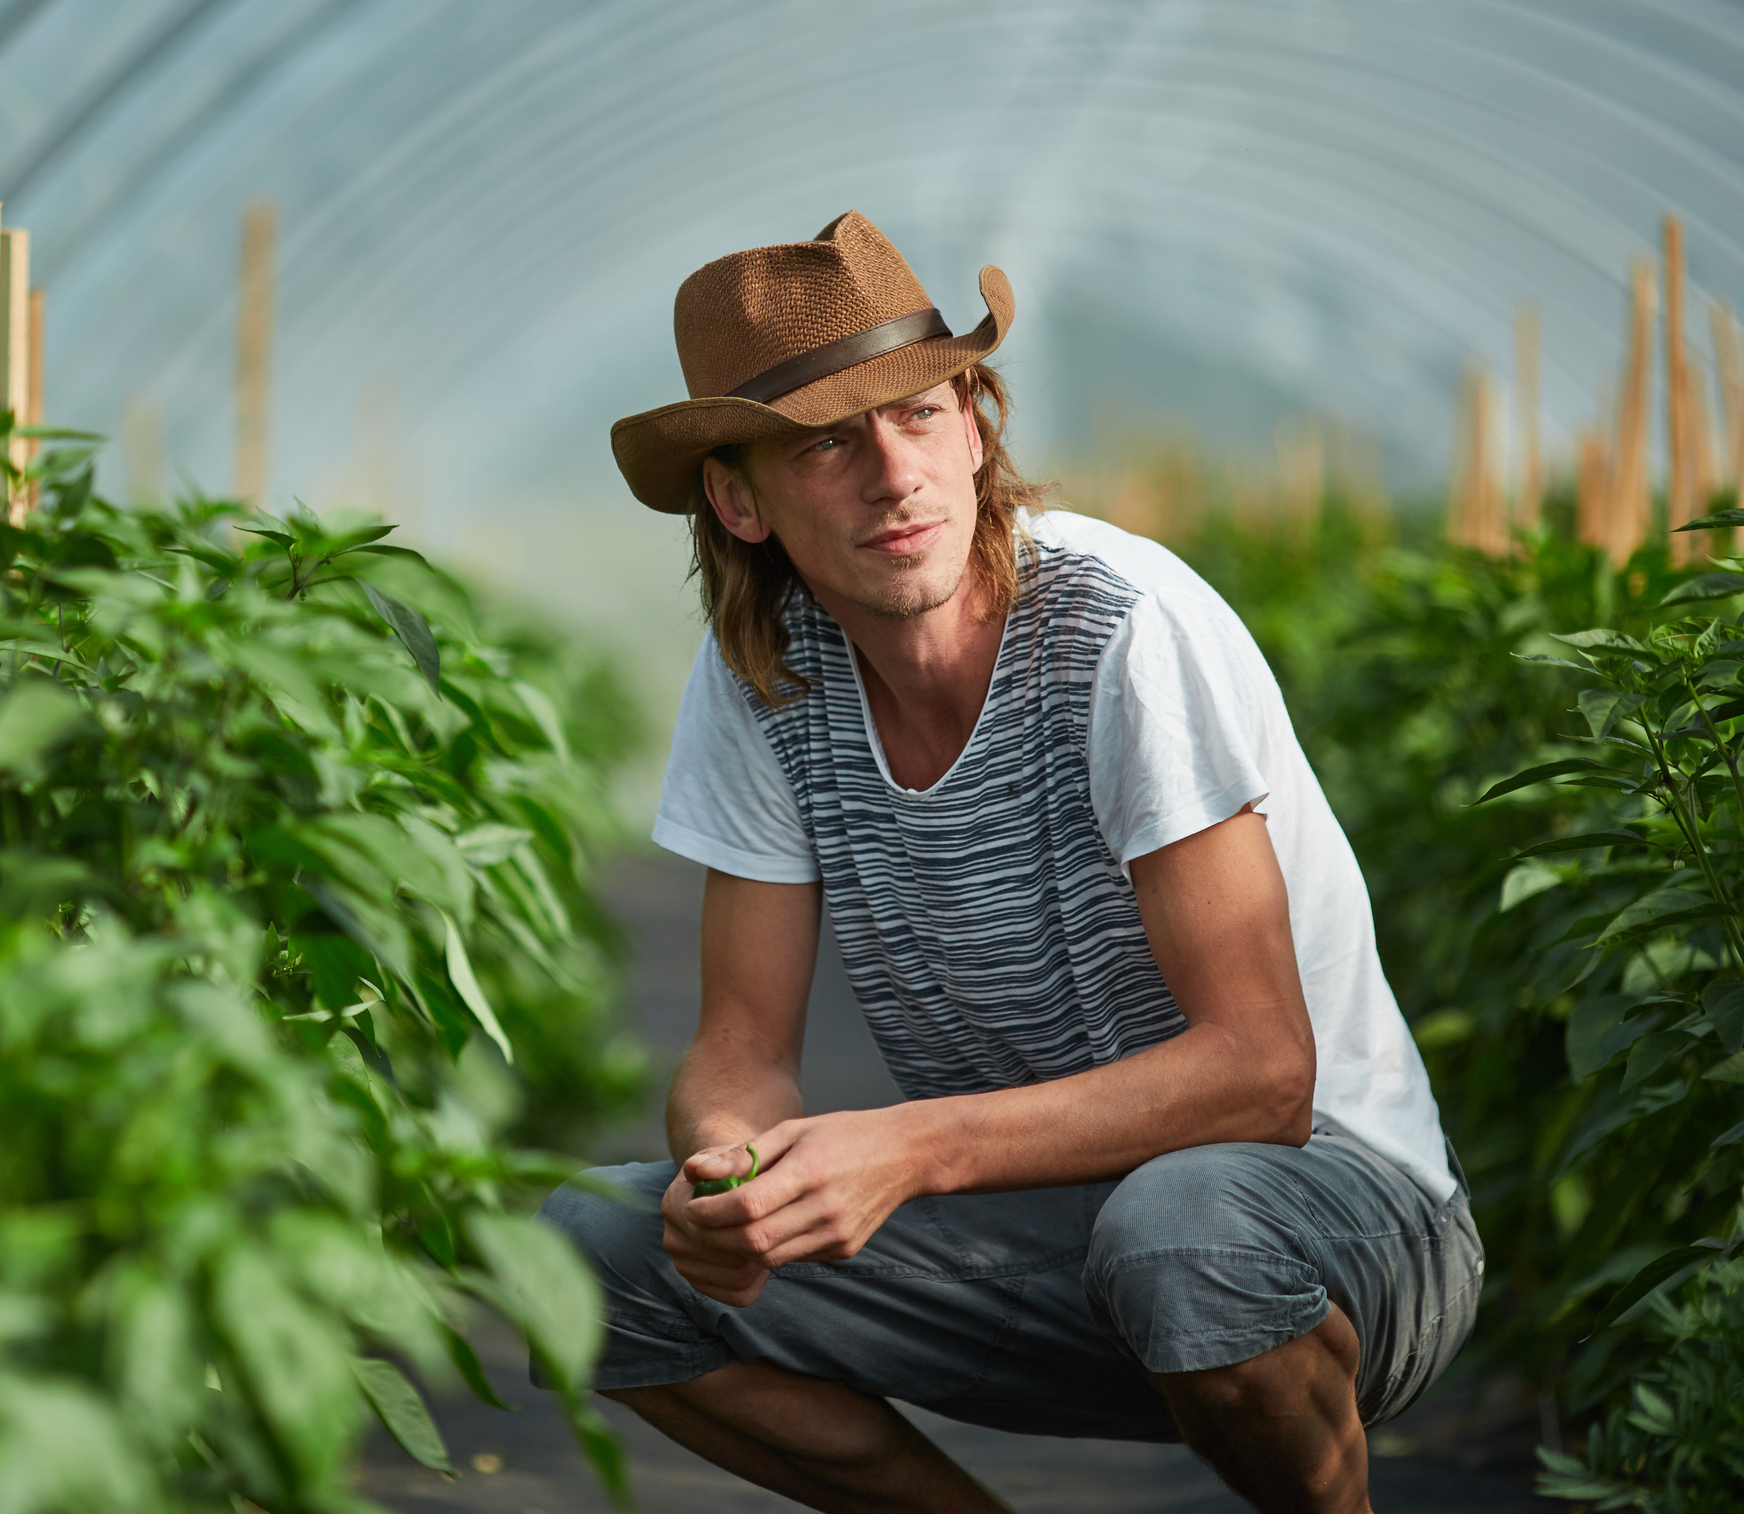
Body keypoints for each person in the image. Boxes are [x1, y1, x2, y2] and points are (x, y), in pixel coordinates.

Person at [542, 212, 1479, 1514]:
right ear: (738, 498)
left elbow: (1264, 1073)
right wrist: (732, 1177)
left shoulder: (1116, 629)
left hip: (1343, 1226)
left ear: (977, 425)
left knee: (1182, 1232)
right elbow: (740, 1049)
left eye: (921, 414)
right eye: (826, 439)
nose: (892, 471)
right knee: (589, 1247)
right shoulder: (767, 678)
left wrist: (906, 1151)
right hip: (1051, 1237)